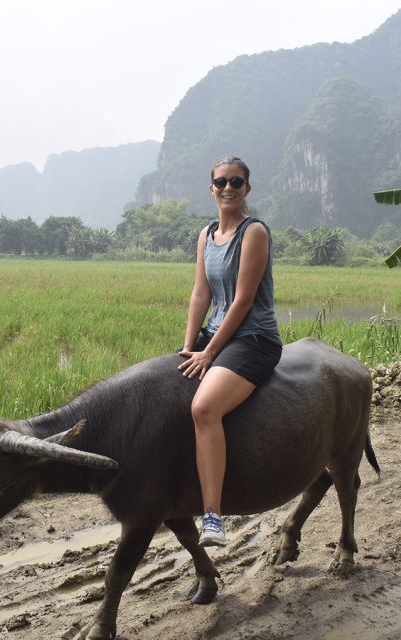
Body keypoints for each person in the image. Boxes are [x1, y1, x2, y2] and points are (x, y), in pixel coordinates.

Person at [178, 156, 283, 547]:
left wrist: (209, 354)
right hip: (213, 335)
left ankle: (213, 517)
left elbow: (242, 301)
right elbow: (200, 293)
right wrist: (190, 346)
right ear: (211, 188)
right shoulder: (206, 235)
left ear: (247, 189)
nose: (228, 187)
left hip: (253, 339)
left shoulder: (253, 232)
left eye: (236, 182)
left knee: (204, 408)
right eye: (221, 181)